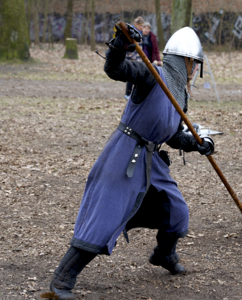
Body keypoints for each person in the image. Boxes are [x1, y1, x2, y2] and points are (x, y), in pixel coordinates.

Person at [45, 25, 214, 299]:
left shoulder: (180, 95)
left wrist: (197, 144)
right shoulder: (151, 74)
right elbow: (116, 69)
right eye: (193, 64)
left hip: (152, 160)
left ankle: (164, 255)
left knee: (177, 211)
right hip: (125, 154)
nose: (194, 70)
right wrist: (120, 43)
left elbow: (171, 135)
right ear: (184, 62)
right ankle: (62, 280)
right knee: (104, 218)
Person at [124, 16, 145, 101]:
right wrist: (132, 57)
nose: (142, 27)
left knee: (138, 76)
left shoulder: (138, 32)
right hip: (132, 58)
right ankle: (128, 93)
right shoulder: (130, 33)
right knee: (131, 76)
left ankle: (135, 93)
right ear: (136, 24)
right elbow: (128, 46)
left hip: (138, 58)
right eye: (141, 25)